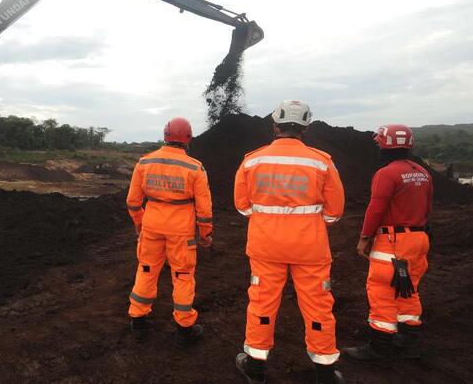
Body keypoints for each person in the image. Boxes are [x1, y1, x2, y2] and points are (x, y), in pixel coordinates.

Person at [233, 100, 345, 384]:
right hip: (310, 247)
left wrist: (267, 218)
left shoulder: (252, 160)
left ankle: (256, 368)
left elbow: (243, 206)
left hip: (265, 245)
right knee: (318, 305)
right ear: (305, 129)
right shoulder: (321, 162)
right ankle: (325, 372)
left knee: (262, 303)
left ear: (275, 126)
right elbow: (335, 211)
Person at [343, 124, 432, 361]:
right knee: (408, 288)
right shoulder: (422, 173)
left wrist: (365, 238)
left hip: (393, 241)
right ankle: (409, 338)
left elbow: (376, 209)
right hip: (419, 238)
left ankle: (379, 347)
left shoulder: (386, 174)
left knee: (382, 290)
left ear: (385, 145)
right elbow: (427, 208)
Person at [125, 117, 213, 348]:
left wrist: (139, 222)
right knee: (182, 275)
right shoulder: (195, 167)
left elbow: (133, 201)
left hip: (152, 225)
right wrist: (205, 232)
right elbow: (204, 208)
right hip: (181, 230)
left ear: (165, 136)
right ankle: (184, 329)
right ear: (188, 139)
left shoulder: (144, 163)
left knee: (146, 269)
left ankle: (138, 319)